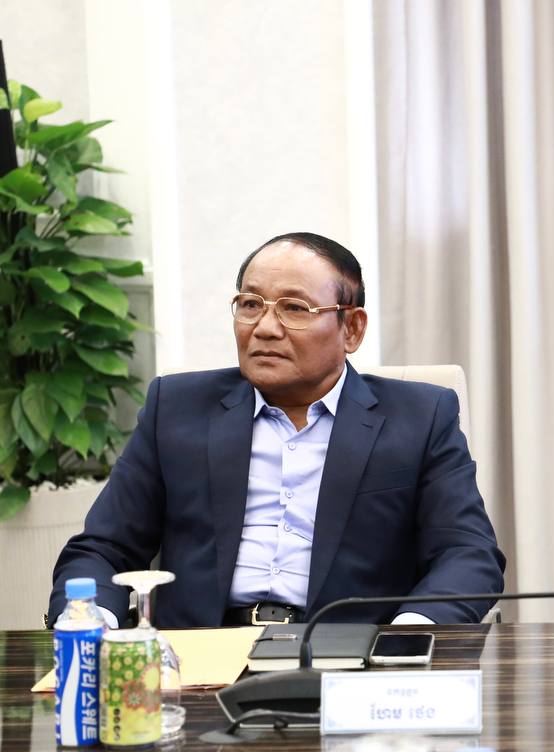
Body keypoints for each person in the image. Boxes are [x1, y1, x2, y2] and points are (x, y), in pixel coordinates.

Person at [48, 232, 504, 628]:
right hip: (199, 657)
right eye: (250, 305)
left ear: (351, 329)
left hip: (349, 653)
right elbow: (103, 549)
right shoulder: (177, 408)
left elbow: (468, 554)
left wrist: (408, 635)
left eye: (294, 308)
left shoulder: (420, 417)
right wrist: (87, 622)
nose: (265, 328)